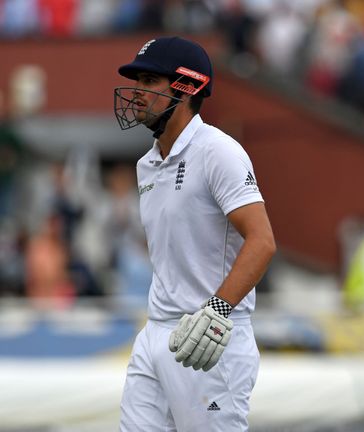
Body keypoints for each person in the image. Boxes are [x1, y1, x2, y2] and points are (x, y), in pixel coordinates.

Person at [113, 36, 276, 431]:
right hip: (156, 334)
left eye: (150, 81)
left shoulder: (218, 151)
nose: (136, 93)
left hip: (210, 340)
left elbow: (262, 241)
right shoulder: (146, 165)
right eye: (137, 81)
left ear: (185, 88)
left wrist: (217, 310)